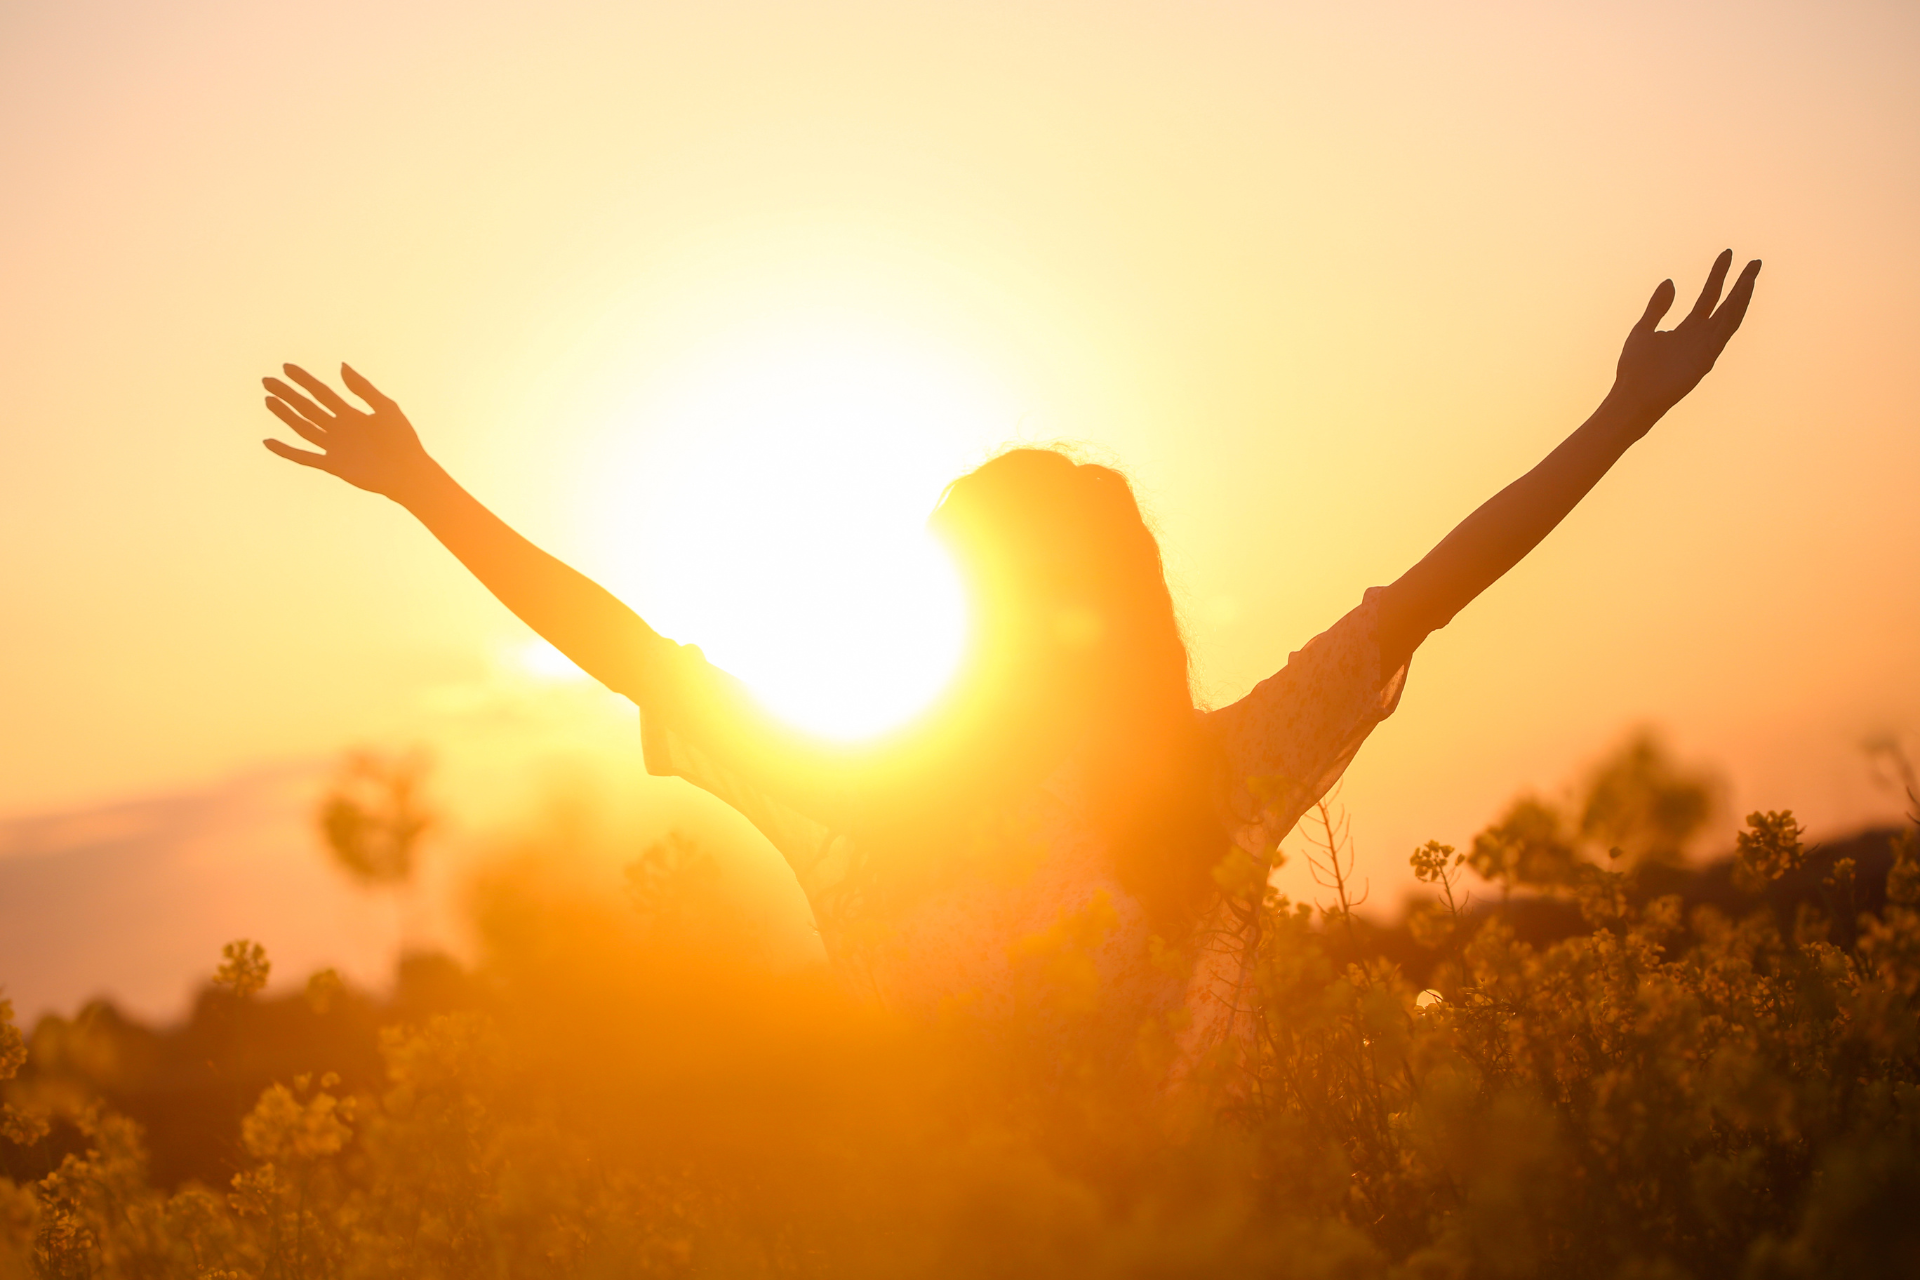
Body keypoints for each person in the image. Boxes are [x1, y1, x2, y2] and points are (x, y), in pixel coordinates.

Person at [261, 251, 1759, 1063]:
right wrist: (428, 488)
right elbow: (636, 654)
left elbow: (1430, 590)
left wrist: (1623, 419)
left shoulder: (1213, 782)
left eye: (992, 588)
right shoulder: (874, 798)